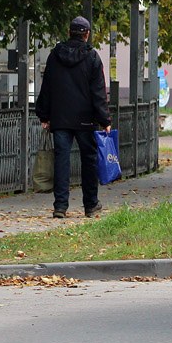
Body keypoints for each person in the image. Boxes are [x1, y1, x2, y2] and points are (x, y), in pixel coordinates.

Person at [35, 16, 110, 218]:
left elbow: (47, 87)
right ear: (87, 34)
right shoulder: (93, 57)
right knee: (89, 161)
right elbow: (99, 92)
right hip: (86, 119)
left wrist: (44, 114)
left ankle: (60, 206)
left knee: (62, 160)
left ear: (68, 33)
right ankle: (90, 205)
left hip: (60, 118)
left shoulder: (54, 56)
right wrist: (104, 120)